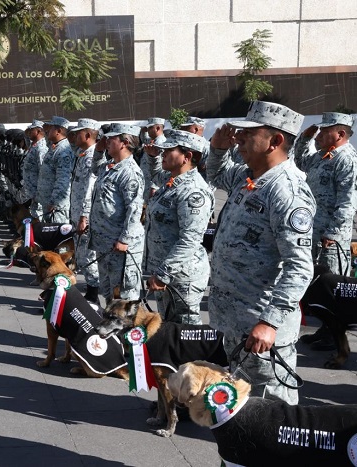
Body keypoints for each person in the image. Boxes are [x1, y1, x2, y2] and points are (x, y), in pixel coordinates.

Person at [207, 101, 315, 405]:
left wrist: (270, 322)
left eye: (249, 133)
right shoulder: (249, 177)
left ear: (275, 141)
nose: (239, 138)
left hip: (261, 326)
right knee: (241, 406)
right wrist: (216, 148)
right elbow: (215, 175)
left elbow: (299, 267)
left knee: (273, 410)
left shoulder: (286, 191)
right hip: (235, 321)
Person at [293, 112, 357, 350]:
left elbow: (348, 202)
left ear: (340, 134)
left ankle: (335, 337)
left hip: (331, 237)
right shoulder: (322, 156)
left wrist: (332, 232)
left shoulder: (347, 159)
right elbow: (299, 160)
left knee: (333, 289)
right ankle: (326, 329)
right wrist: (304, 139)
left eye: (324, 131)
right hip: (312, 231)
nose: (319, 134)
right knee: (317, 287)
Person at [144, 130, 215, 324]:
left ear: (187, 156)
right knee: (169, 329)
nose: (163, 154)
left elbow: (189, 240)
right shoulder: (172, 182)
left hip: (182, 276)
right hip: (166, 273)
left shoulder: (193, 191)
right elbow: (156, 175)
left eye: (169, 150)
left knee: (184, 336)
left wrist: (163, 274)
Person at [89, 123, 145, 305]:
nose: (106, 141)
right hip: (105, 242)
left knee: (123, 299)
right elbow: (95, 169)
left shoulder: (130, 172)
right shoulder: (110, 166)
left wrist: (125, 239)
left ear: (124, 142)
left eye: (111, 138)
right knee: (108, 294)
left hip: (119, 245)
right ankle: (113, 332)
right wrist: (98, 151)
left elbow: (134, 209)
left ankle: (127, 333)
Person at [69, 118, 101, 304]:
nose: (74, 136)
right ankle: (90, 292)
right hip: (76, 213)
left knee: (88, 256)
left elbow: (90, 189)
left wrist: (84, 216)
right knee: (81, 255)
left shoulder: (91, 158)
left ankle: (93, 296)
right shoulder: (82, 153)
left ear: (88, 135)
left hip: (84, 216)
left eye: (78, 132)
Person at [35, 116, 75, 224]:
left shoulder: (63, 151)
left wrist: (54, 202)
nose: (47, 131)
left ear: (58, 131)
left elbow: (63, 180)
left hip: (56, 207)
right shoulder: (55, 147)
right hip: (48, 202)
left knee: (57, 236)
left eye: (51, 128)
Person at [22, 119, 48, 219]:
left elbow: (43, 170)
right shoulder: (34, 145)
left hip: (37, 190)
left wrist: (39, 190)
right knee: (32, 214)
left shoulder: (41, 148)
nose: (29, 132)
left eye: (31, 130)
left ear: (38, 131)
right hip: (32, 190)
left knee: (38, 216)